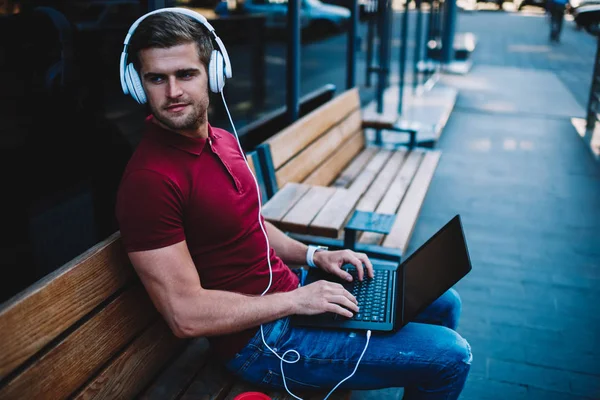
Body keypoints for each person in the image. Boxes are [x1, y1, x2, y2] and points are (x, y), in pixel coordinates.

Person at [115, 8, 472, 400]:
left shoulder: (222, 139)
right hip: (261, 345)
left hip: (290, 292)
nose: (173, 92)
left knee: (442, 301)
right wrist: (297, 301)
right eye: (156, 79)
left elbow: (251, 224)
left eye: (186, 74)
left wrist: (315, 255)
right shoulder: (149, 182)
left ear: (214, 73)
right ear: (137, 84)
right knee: (450, 356)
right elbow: (184, 315)